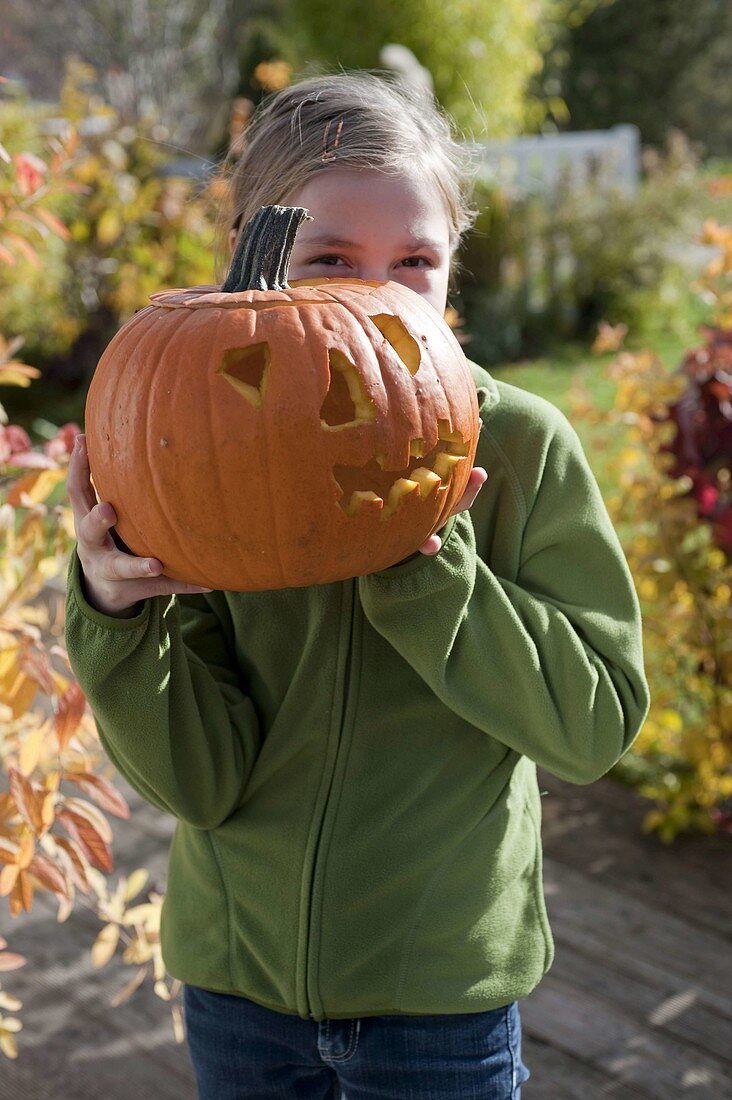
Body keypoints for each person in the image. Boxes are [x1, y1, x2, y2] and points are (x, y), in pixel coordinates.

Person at [64, 70, 651, 1100]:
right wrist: (119, 615)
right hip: (237, 987)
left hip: (439, 995)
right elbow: (198, 780)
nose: (377, 295)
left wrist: (432, 573)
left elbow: (592, 723)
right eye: (330, 260)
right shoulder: (199, 451)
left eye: (414, 261)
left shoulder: (518, 448)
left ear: (453, 264)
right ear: (253, 252)